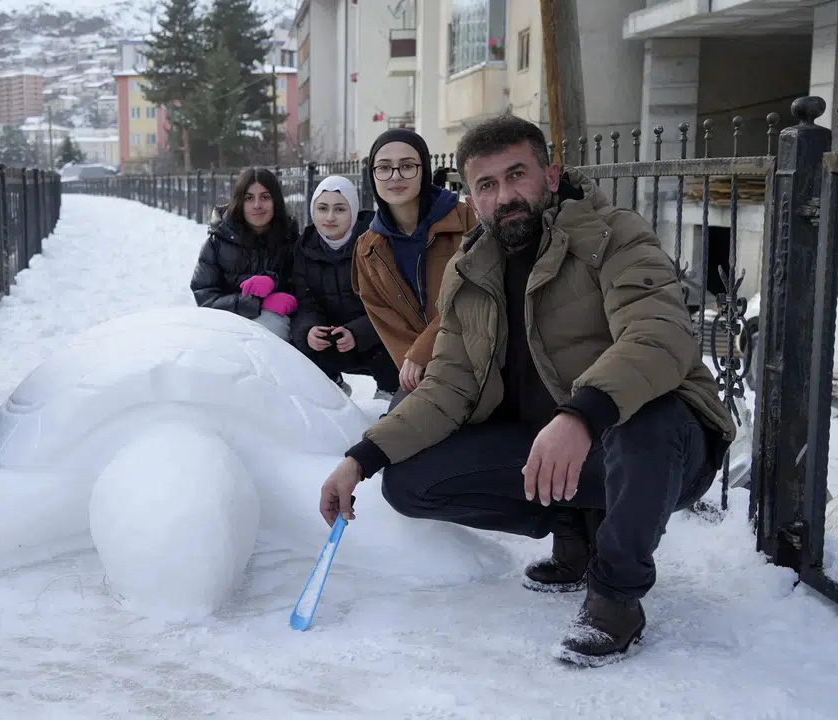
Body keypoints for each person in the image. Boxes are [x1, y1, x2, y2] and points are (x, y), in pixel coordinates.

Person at [318, 115, 735, 667]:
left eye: (518, 174)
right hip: (559, 451)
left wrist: (581, 415)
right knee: (410, 481)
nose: (505, 195)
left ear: (551, 174)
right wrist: (361, 458)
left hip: (660, 449)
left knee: (648, 420)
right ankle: (573, 527)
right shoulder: (470, 273)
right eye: (487, 185)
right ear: (472, 196)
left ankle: (615, 595)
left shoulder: (614, 236)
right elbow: (447, 386)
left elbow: (658, 337)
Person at [352, 129, 477, 395]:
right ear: (373, 175)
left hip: (476, 358)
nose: (395, 176)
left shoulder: (464, 221)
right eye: (384, 167)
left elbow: (474, 293)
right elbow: (384, 318)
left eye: (407, 166)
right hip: (422, 376)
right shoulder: (368, 248)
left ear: (424, 170)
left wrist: (424, 351)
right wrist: (415, 362)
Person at [291, 176, 399, 399]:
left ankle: (389, 393)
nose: (330, 217)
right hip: (332, 341)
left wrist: (357, 333)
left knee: (392, 349)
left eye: (340, 209)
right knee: (299, 348)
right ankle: (331, 390)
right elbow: (305, 302)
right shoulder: (304, 249)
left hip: (375, 341)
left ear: (353, 210)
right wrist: (309, 330)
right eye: (322, 208)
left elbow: (390, 305)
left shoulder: (375, 242)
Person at [190, 167, 299, 340]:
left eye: (265, 197)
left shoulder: (291, 240)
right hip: (227, 329)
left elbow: (304, 287)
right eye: (249, 198)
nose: (257, 205)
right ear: (239, 202)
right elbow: (205, 298)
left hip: (278, 328)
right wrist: (258, 302)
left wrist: (275, 283)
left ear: (276, 201)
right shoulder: (217, 242)